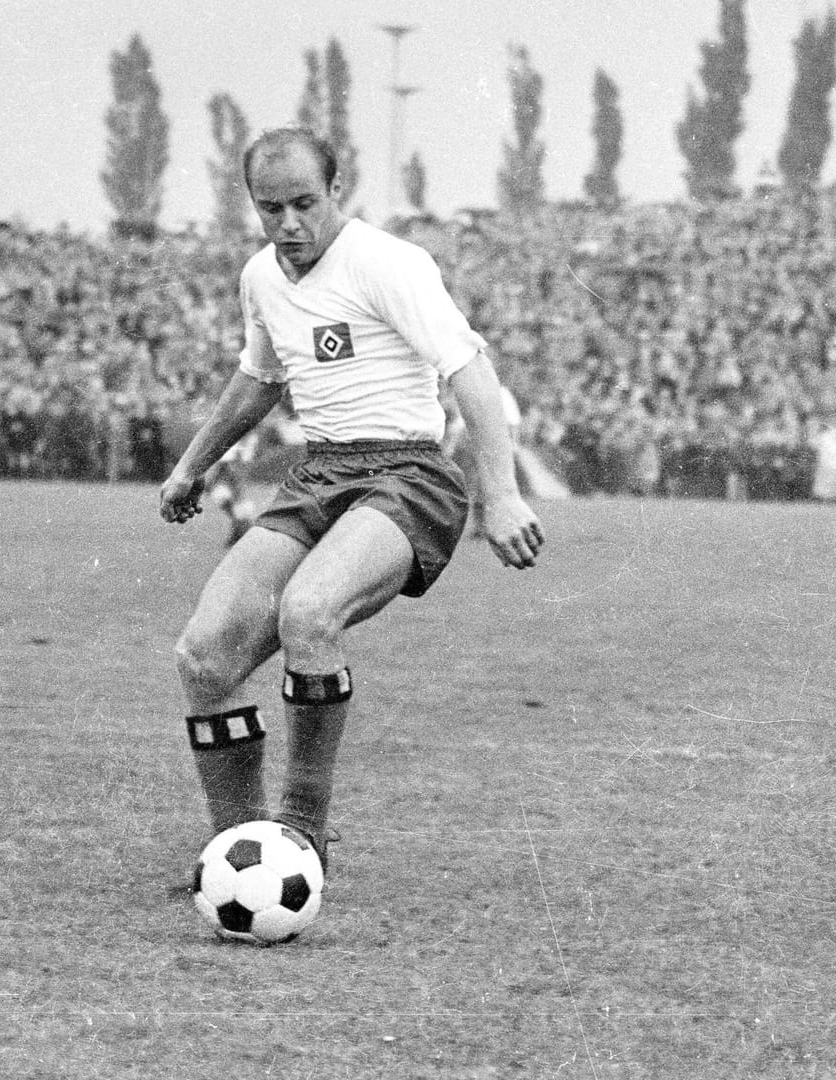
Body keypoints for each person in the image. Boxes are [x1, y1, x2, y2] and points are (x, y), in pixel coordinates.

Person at [158, 128, 545, 875]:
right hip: (319, 474)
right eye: (271, 209)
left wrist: (501, 495)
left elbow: (471, 370)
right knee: (203, 657)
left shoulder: (388, 263)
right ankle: (238, 850)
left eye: (305, 203)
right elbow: (259, 379)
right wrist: (192, 467)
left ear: (336, 191)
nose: (290, 224)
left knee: (309, 612)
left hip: (408, 473)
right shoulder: (261, 279)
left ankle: (302, 835)